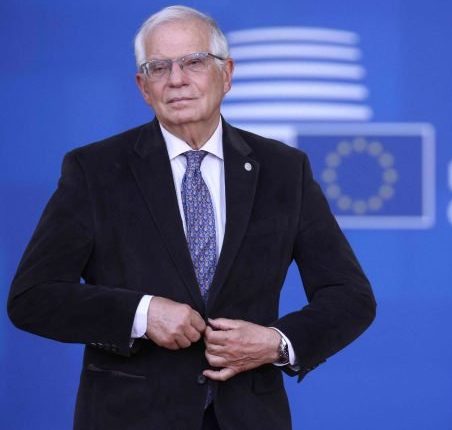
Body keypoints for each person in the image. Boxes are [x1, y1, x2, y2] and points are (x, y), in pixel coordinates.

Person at [7, 5, 375, 430]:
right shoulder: (95, 171)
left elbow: (350, 296)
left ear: (227, 74)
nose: (176, 79)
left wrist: (276, 343)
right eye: (159, 67)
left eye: (194, 62)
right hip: (130, 416)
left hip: (248, 417)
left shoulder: (284, 170)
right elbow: (32, 297)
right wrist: (141, 314)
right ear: (143, 87)